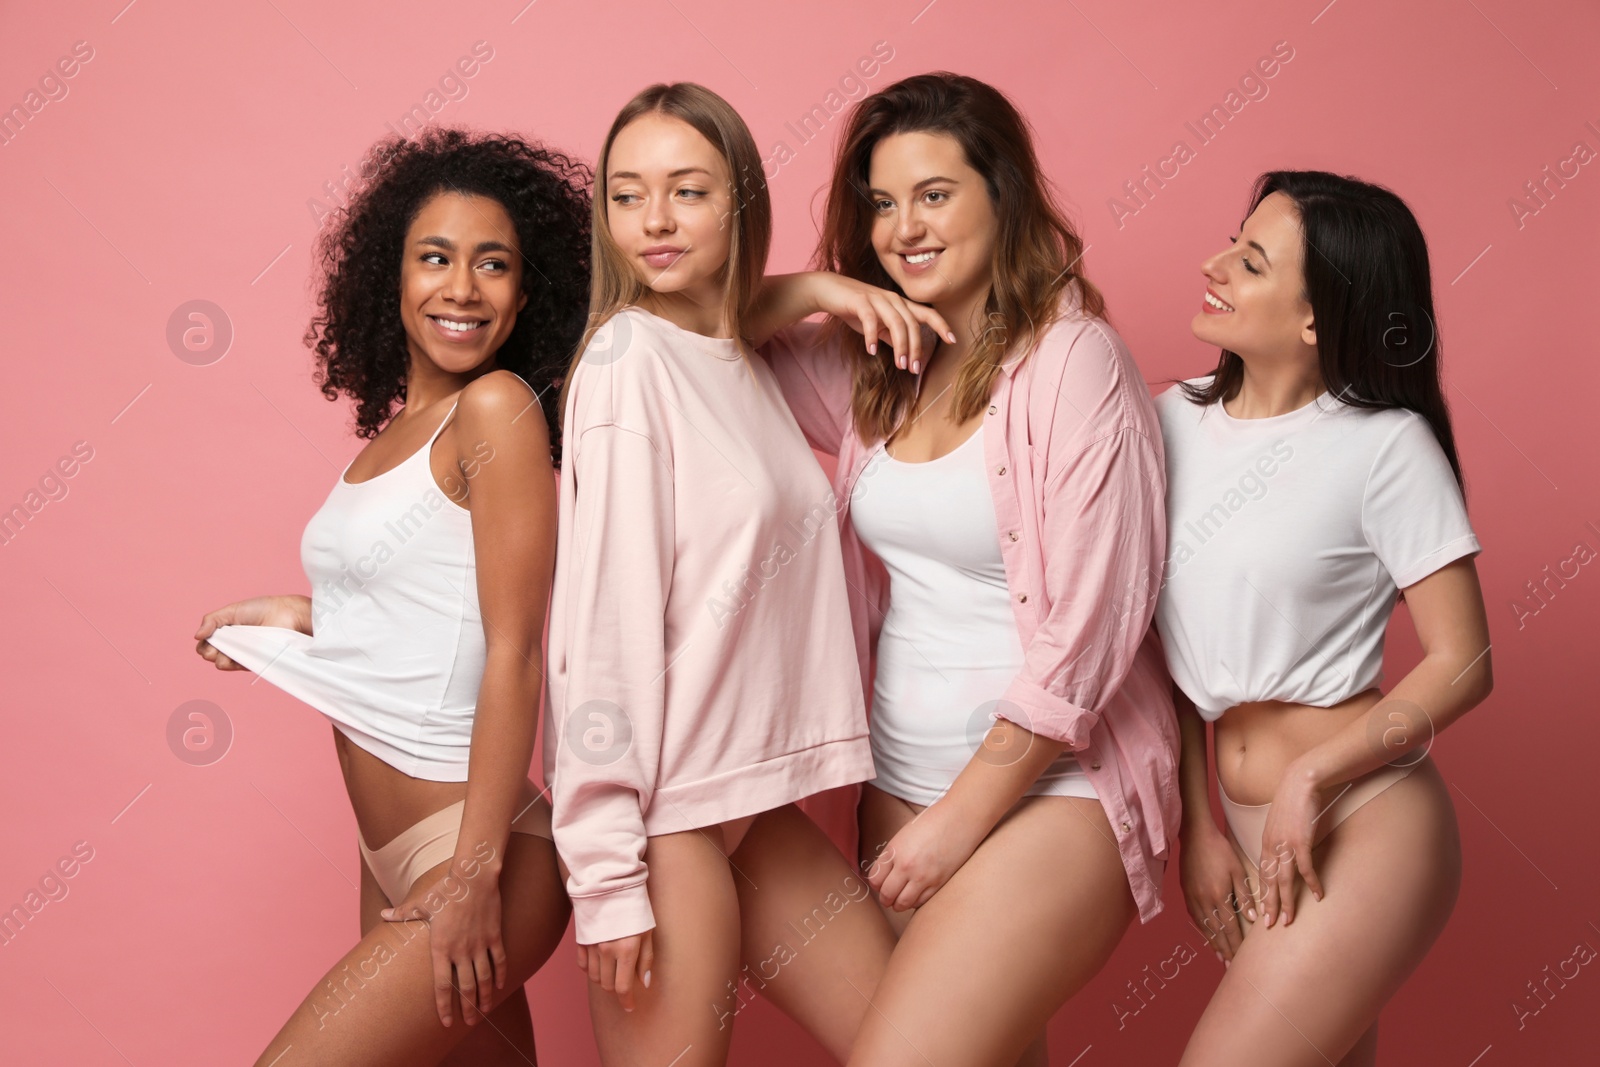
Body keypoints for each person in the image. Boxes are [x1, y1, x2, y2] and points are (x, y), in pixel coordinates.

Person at [748, 71, 1181, 1067]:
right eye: (882, 203)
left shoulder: (1075, 361)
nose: (904, 227)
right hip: (897, 784)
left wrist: (960, 820)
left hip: (1052, 795)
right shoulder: (881, 364)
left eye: (934, 194)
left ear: (1004, 195)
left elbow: (1091, 627)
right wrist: (816, 288)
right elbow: (698, 334)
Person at [194, 127, 592, 1066]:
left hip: (474, 848)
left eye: (492, 264)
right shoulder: (392, 438)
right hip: (395, 858)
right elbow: (416, 608)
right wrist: (296, 617)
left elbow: (514, 646)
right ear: (394, 279)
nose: (462, 286)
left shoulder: (496, 409)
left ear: (526, 294)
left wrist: (475, 871)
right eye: (436, 258)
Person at [544, 82, 897, 1066]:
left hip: (750, 796)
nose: (652, 219)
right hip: (664, 819)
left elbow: (728, 312)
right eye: (626, 194)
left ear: (739, 201)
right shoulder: (624, 364)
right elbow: (598, 633)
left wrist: (822, 287)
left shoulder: (731, 351)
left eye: (687, 190)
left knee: (928, 1040)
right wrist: (608, 875)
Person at [1158, 170, 1492, 1066]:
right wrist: (1200, 824)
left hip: (1365, 815)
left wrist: (1312, 778)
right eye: (1233, 241)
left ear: (1316, 318)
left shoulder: (1384, 447)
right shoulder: (1166, 424)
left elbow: (1464, 661)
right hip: (1239, 820)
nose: (1214, 264)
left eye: (1251, 261)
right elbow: (1165, 658)